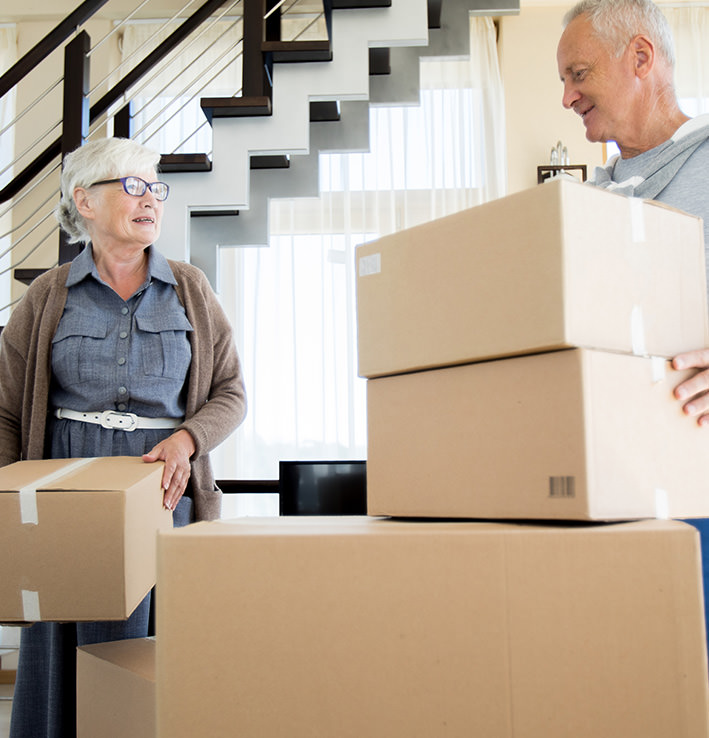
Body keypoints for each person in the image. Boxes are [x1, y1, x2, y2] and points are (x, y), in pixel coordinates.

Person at [0, 136, 247, 738]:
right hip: (66, 502)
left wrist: (188, 440)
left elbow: (232, 393)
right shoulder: (46, 296)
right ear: (84, 200)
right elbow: (6, 411)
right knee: (70, 656)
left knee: (154, 661)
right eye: (132, 185)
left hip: (163, 497)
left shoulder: (190, 288)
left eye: (155, 187)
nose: (151, 200)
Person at [557, 0, 709, 640]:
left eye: (579, 74)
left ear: (640, 58)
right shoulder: (582, 203)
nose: (567, 97)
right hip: (604, 500)